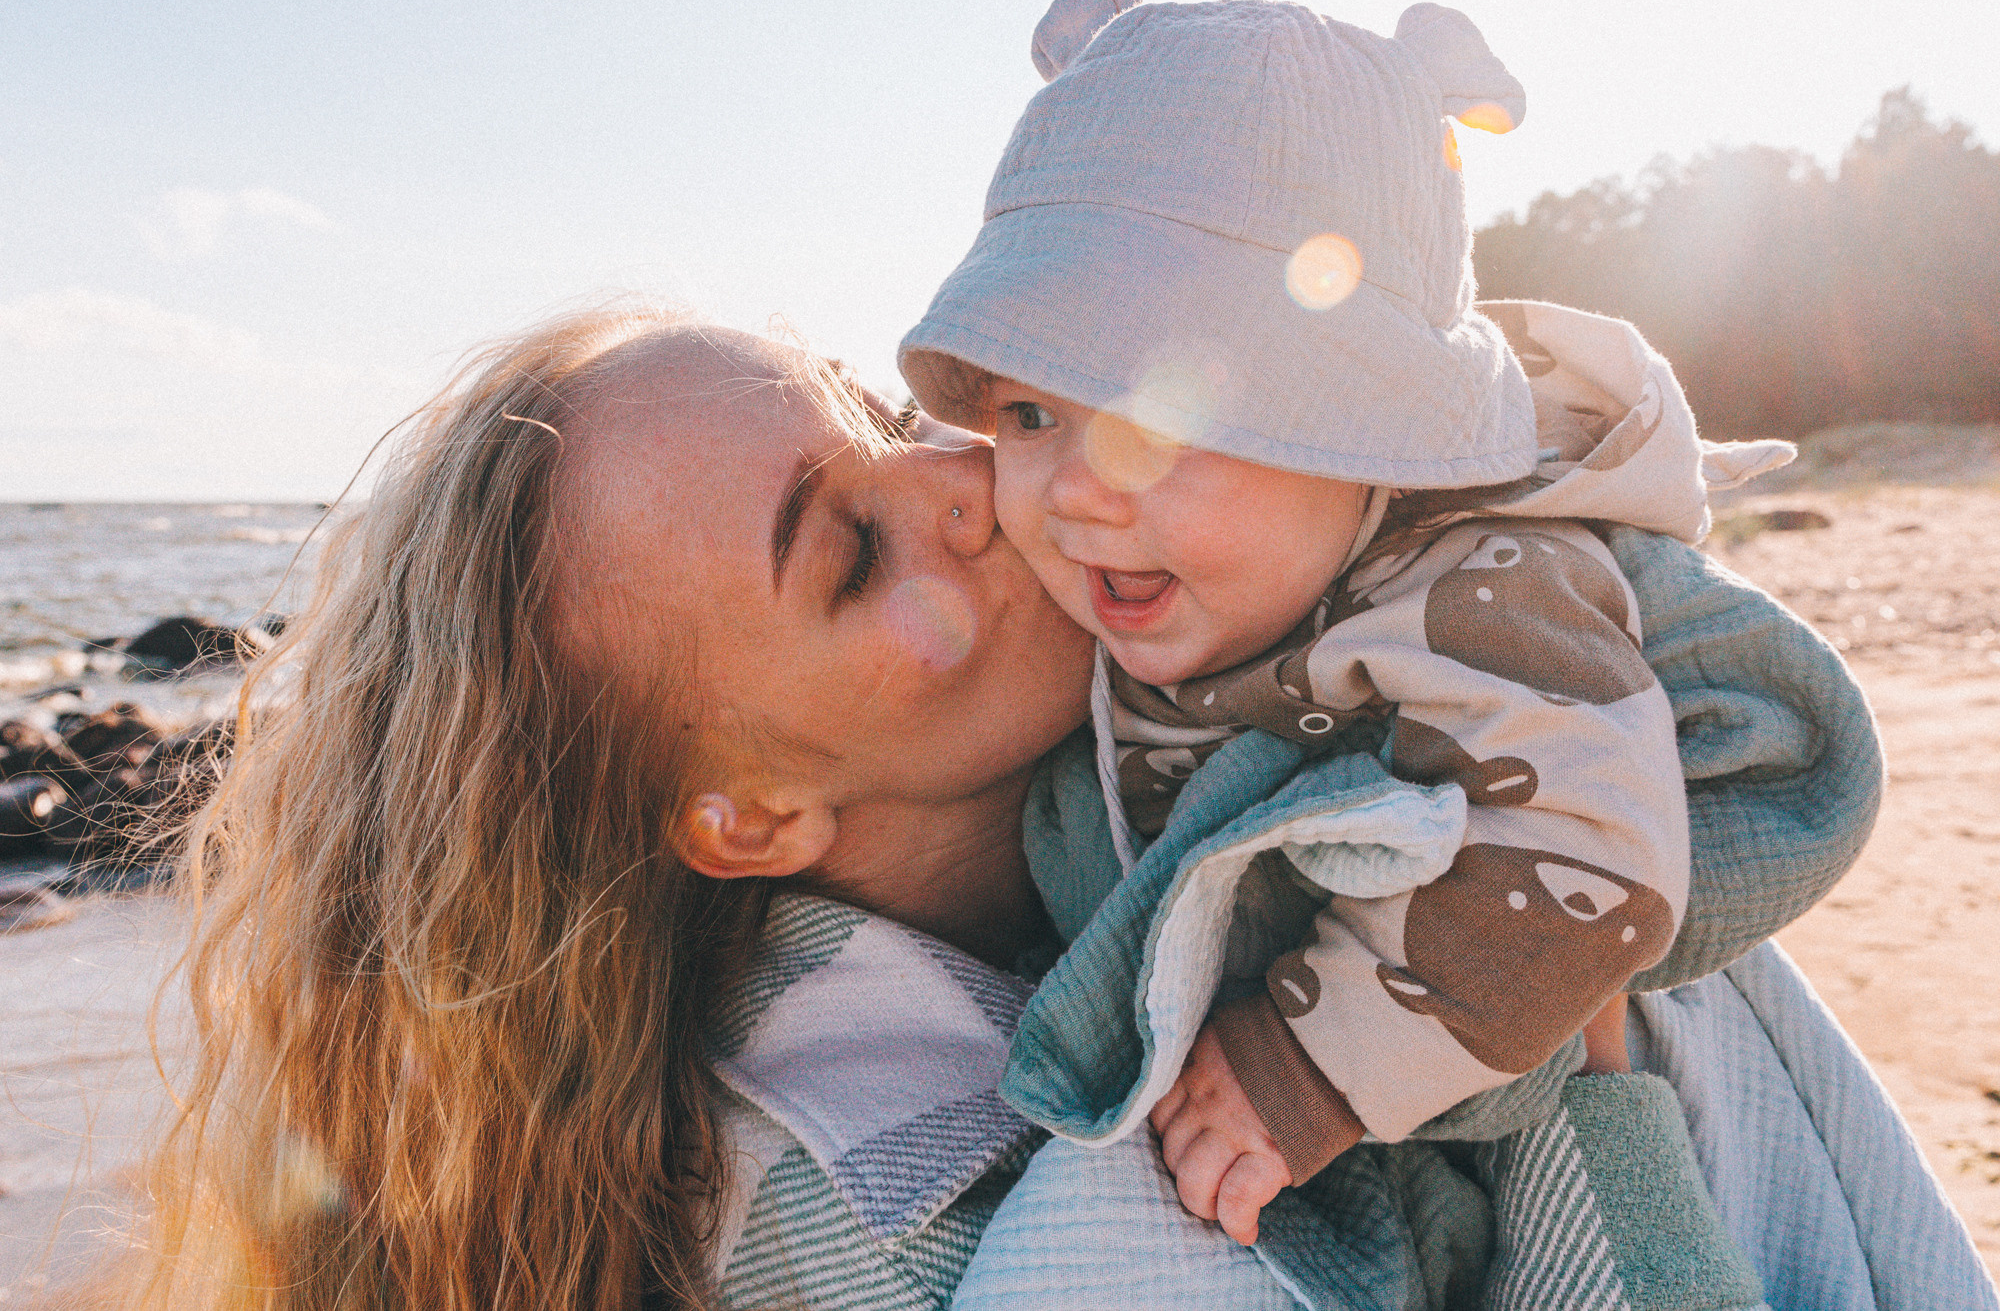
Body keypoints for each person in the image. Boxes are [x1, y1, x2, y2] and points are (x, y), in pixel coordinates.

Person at [122, 308, 1992, 1311]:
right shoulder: (867, 1222)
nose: (960, 474)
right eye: (847, 546)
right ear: (748, 815)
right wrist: (1576, 1066)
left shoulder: (1378, 741)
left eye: (871, 403)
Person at [892, 0, 1779, 1299]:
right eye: (1028, 413)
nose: (1077, 487)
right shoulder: (1179, 560)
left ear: (1372, 426)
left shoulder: (1476, 586)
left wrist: (1307, 1064)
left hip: (1490, 1060)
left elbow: (1591, 845)